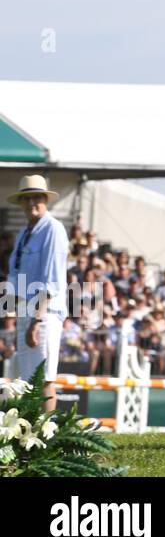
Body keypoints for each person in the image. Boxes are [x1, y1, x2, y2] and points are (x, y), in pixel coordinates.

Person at [8, 175, 70, 411]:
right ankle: (30, 437)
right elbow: (16, 276)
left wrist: (36, 320)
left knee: (44, 379)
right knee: (26, 380)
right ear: (21, 202)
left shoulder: (53, 229)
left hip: (44, 313)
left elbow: (51, 281)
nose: (31, 202)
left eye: (36, 197)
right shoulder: (24, 233)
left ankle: (47, 439)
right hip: (26, 310)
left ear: (45, 200)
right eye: (27, 198)